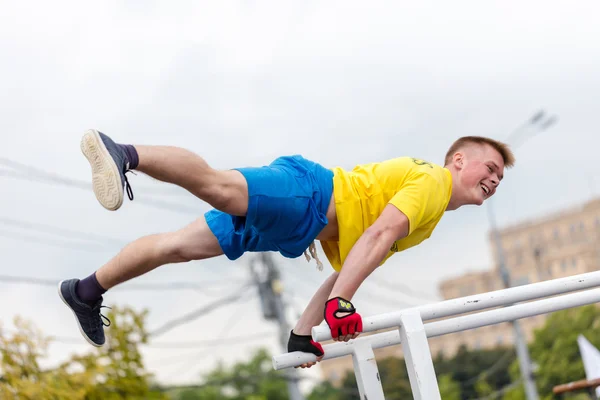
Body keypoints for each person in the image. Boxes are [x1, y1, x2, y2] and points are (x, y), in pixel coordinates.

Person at [58, 129, 514, 369]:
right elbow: (375, 239)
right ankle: (125, 153)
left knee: (177, 247)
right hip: (308, 195)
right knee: (219, 187)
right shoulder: (434, 182)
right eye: (489, 168)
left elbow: (355, 263)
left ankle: (85, 290)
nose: (493, 181)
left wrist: (305, 328)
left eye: (499, 179)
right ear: (458, 161)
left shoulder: (428, 220)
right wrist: (340, 305)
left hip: (298, 225)